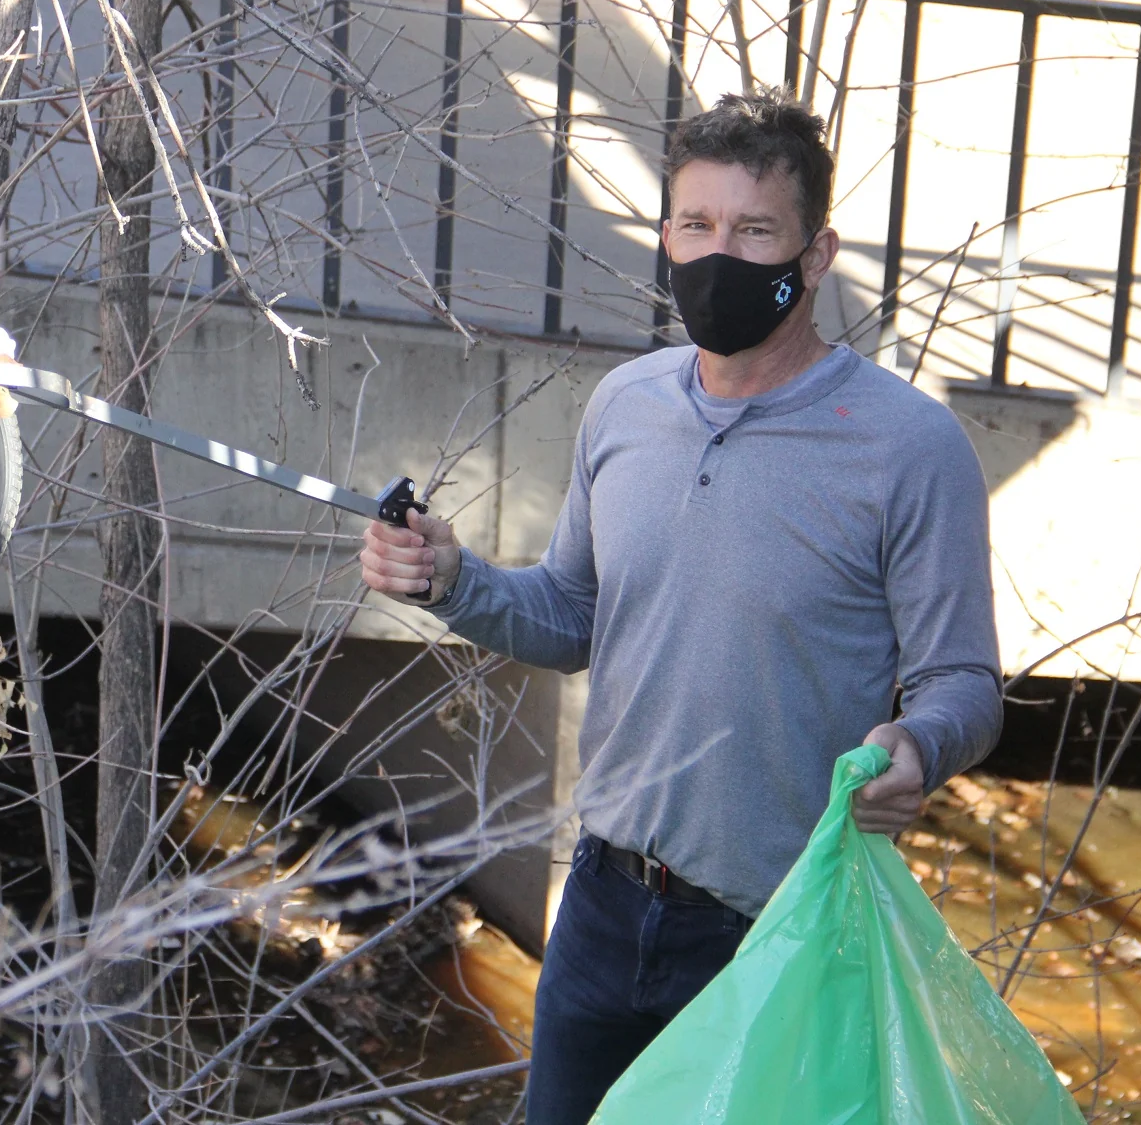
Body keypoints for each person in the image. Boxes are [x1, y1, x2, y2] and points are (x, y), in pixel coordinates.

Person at [359, 87, 1002, 1125]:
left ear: (814, 253)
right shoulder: (626, 405)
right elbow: (571, 617)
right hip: (604, 907)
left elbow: (962, 681)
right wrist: (451, 578)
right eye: (695, 225)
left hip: (774, 934)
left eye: (754, 232)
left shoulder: (907, 447)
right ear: (664, 235)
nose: (718, 256)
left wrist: (920, 747)